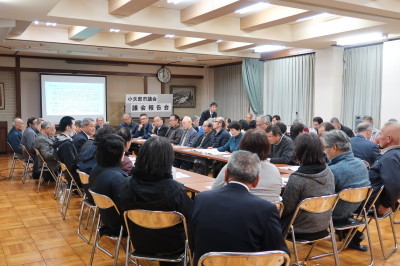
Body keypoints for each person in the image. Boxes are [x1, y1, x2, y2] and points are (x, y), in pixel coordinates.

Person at [190, 150, 289, 265]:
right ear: (256, 181)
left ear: (226, 175)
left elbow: (192, 243)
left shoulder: (201, 199)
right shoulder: (266, 209)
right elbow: (280, 254)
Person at [119, 136, 193, 265]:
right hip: (172, 247)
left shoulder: (126, 184)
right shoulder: (176, 190)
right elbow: (190, 221)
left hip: (139, 242)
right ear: (168, 161)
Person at [323, 130, 371, 251]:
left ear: (334, 148)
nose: (324, 151)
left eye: (325, 147)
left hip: (335, 213)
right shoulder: (361, 164)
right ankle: (351, 234)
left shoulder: (333, 170)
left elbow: (323, 196)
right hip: (355, 208)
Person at [281, 133, 335, 239]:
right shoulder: (329, 171)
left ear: (298, 151)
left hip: (299, 228)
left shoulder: (298, 178)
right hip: (323, 224)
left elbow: (286, 208)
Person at [212, 129, 282, 202]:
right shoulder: (275, 170)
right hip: (267, 212)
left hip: (237, 210)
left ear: (242, 146)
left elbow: (214, 189)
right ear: (268, 147)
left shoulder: (234, 164)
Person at [90, 134, 128, 237]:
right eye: (123, 151)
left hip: (107, 219)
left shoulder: (96, 168)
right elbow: (127, 206)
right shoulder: (117, 178)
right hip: (121, 225)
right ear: (117, 154)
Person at [369, 121, 400, 215]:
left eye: (380, 134)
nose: (378, 138)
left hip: (371, 203)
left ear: (388, 138)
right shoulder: (394, 154)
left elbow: (395, 185)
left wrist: (385, 205)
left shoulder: (390, 158)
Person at [53, 116, 82, 187]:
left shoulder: (59, 139)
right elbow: (71, 165)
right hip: (75, 178)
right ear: (68, 127)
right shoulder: (66, 144)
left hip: (69, 176)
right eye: (74, 125)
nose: (75, 127)